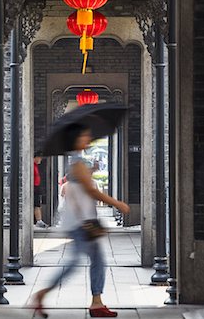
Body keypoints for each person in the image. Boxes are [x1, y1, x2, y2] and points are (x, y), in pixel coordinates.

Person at [28, 124, 130, 318]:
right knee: (77, 263)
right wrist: (117, 203)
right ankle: (43, 295)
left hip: (82, 220)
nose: (88, 138)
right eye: (84, 135)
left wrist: (91, 171)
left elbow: (82, 185)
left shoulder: (78, 161)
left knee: (97, 260)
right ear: (76, 139)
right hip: (80, 222)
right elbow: (91, 190)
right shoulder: (76, 162)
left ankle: (96, 302)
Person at [34, 151, 49, 228]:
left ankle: (39, 221)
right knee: (36, 204)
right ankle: (38, 221)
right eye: (39, 157)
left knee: (37, 204)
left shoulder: (36, 165)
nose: (40, 159)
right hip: (34, 187)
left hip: (36, 187)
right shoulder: (32, 165)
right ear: (35, 157)